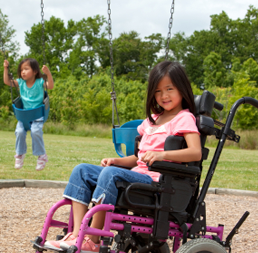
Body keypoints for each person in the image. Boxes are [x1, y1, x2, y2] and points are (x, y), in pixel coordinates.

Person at [43, 61, 202, 252]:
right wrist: (116, 161)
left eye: (169, 89)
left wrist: (162, 155)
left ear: (182, 89)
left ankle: (93, 239)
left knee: (110, 174)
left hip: (158, 182)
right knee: (82, 170)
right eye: (158, 91)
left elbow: (195, 152)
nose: (164, 95)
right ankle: (77, 234)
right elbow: (139, 158)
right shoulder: (153, 120)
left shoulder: (184, 118)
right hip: (138, 175)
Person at [3, 58, 54, 171]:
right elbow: (7, 82)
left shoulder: (40, 82)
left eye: (26, 69)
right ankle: (20, 155)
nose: (23, 72)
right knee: (19, 132)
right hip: (24, 116)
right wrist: (5, 68)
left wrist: (48, 73)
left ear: (35, 71)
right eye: (21, 70)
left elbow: (50, 86)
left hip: (38, 116)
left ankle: (42, 156)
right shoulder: (20, 82)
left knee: (36, 132)